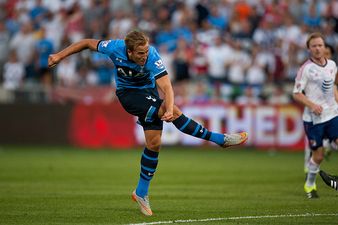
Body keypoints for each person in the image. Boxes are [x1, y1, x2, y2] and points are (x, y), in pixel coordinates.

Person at [48, 30, 248, 216]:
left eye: (146, 51)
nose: (145, 55)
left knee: (154, 143)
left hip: (149, 94)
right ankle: (219, 139)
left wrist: (169, 109)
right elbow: (86, 43)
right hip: (128, 95)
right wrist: (59, 56)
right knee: (173, 113)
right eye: (141, 53)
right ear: (129, 51)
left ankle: (141, 192)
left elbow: (167, 87)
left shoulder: (152, 56)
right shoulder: (114, 47)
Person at [293, 32, 338, 199]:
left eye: (320, 45)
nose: (318, 48)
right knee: (317, 156)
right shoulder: (306, 69)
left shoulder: (332, 65)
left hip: (332, 114)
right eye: (314, 46)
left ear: (325, 46)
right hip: (313, 119)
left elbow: (332, 86)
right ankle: (310, 184)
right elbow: (296, 93)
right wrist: (312, 105)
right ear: (309, 49)